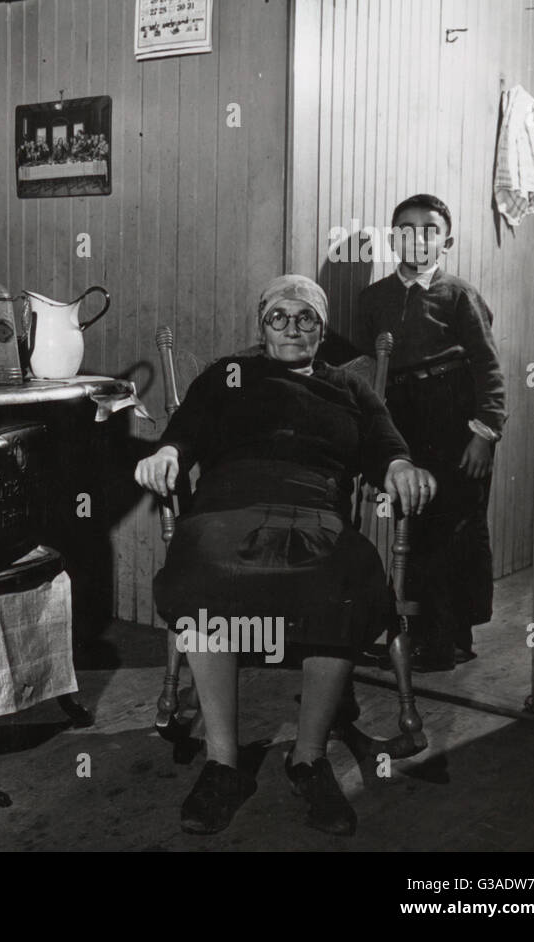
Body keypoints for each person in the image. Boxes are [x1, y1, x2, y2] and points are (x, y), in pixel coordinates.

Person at [135, 275, 436, 837]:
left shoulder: (350, 389)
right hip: (228, 504)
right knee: (201, 569)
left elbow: (386, 444)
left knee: (347, 577)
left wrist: (399, 468)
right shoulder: (228, 375)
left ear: (321, 330)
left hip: (315, 508)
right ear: (261, 325)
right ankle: (223, 765)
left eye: (306, 319)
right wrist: (168, 454)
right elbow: (184, 431)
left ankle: (309, 757)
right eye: (280, 317)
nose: (292, 328)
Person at [355, 194, 505, 671]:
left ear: (446, 240)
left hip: (454, 420)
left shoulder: (459, 295)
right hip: (402, 419)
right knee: (412, 527)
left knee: (453, 527)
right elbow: (364, 368)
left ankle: (448, 638)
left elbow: (489, 369)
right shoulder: (374, 297)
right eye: (405, 227)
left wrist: (483, 433)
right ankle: (415, 634)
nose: (416, 237)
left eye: (428, 229)